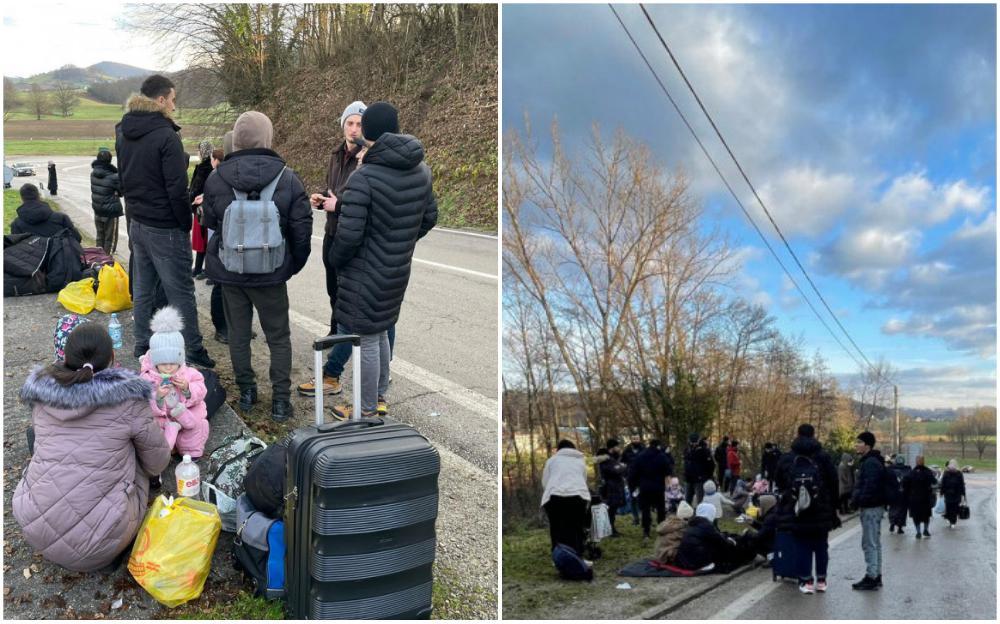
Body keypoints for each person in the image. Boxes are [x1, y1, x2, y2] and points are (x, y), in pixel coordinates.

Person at [12, 322, 170, 571]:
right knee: (138, 452)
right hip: (103, 539)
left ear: (65, 356)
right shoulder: (128, 399)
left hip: (35, 527)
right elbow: (157, 462)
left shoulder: (42, 396)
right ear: (113, 358)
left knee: (42, 439)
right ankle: (111, 547)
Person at [201, 111, 313, 422]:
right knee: (278, 337)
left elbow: (211, 222)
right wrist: (290, 265)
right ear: (268, 138)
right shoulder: (287, 178)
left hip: (231, 273)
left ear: (235, 140)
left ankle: (247, 392)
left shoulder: (216, 177)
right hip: (271, 274)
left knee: (238, 333)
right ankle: (280, 401)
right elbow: (301, 231)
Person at [328, 102, 437, 420]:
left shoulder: (364, 178)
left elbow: (348, 236)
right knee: (382, 328)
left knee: (366, 339)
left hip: (365, 273)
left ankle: (364, 408)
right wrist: (400, 243)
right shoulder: (421, 170)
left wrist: (336, 261)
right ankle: (377, 397)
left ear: (368, 133)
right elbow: (430, 216)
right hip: (396, 269)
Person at [115, 74, 214, 369]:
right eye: (172, 99)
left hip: (138, 223)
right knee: (181, 290)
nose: (174, 105)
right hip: (164, 226)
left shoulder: (123, 130)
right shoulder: (165, 135)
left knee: (144, 287)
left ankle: (142, 343)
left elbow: (124, 178)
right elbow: (176, 189)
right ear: (160, 100)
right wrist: (184, 223)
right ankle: (194, 350)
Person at [297, 101, 367, 399]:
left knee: (353, 301)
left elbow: (364, 201)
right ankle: (335, 332)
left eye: (359, 124)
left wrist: (338, 205)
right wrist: (322, 197)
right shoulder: (335, 155)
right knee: (334, 292)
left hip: (353, 238)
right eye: (350, 124)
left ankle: (337, 368)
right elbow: (334, 189)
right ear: (343, 126)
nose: (354, 129)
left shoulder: (369, 159)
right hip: (332, 233)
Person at [774, 423, 839, 594]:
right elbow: (834, 482)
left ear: (797, 434)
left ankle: (806, 581)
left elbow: (779, 481)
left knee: (802, 546)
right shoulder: (823, 457)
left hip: (797, 510)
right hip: (821, 509)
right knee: (821, 546)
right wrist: (833, 506)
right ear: (814, 435)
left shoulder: (787, 458)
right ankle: (822, 580)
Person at [138, 307, 210, 458]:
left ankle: (190, 452)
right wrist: (157, 397)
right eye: (164, 363)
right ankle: (167, 449)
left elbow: (201, 389)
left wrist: (187, 388)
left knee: (198, 425)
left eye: (173, 362)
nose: (169, 367)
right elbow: (142, 402)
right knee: (151, 434)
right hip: (162, 421)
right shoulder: (147, 378)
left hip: (186, 415)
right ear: (155, 362)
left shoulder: (188, 373)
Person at [540, 440, 591, 555]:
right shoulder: (580, 461)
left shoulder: (551, 461)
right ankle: (577, 555)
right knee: (576, 527)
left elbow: (545, 482)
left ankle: (558, 555)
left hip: (554, 497)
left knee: (556, 528)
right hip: (578, 497)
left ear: (558, 449)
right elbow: (583, 479)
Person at [851, 431, 887, 590]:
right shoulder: (873, 461)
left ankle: (871, 576)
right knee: (875, 543)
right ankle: (876, 575)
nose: (856, 445)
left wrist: (858, 500)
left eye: (859, 442)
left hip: (871, 508)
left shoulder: (870, 462)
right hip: (875, 507)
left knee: (869, 543)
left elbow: (870, 486)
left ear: (867, 445)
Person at [674, 503, 751, 572]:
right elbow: (721, 542)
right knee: (731, 553)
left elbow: (715, 536)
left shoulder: (694, 523)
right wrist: (733, 542)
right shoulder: (706, 525)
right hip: (697, 563)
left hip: (686, 561)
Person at [628, 439, 673, 538]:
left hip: (644, 487)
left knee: (645, 510)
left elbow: (632, 473)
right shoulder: (662, 456)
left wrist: (633, 486)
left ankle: (646, 531)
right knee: (661, 509)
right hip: (658, 487)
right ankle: (661, 529)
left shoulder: (640, 456)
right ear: (658, 446)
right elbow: (669, 470)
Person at [10, 183, 82, 241]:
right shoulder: (61, 217)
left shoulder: (16, 224)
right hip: (61, 257)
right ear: (38, 196)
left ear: (22, 199)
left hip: (34, 259)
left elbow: (16, 248)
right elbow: (77, 238)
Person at [89, 147, 124, 254]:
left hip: (97, 209)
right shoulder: (114, 177)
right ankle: (107, 260)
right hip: (110, 211)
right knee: (110, 239)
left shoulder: (93, 174)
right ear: (109, 160)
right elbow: (122, 192)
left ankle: (98, 259)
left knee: (100, 235)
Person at [188, 140, 214, 279]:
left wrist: (190, 199)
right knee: (207, 240)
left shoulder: (203, 169)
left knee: (202, 240)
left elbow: (196, 189)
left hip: (201, 210)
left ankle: (200, 268)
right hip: (209, 208)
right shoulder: (213, 167)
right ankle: (203, 268)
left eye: (199, 150)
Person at [596, 439, 626, 537]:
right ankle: (609, 530)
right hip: (610, 487)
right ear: (612, 448)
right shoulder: (605, 459)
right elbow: (614, 470)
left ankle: (611, 529)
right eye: (617, 446)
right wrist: (621, 467)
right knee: (611, 509)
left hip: (615, 486)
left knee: (613, 509)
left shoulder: (613, 458)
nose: (619, 448)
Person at [905, 455, 937, 538]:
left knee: (916, 516)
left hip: (915, 498)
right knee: (926, 516)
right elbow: (934, 482)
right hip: (925, 498)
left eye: (920, 460)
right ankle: (925, 530)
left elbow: (905, 484)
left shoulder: (911, 472)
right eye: (919, 460)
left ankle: (919, 531)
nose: (919, 461)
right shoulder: (928, 472)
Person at [654, 500, 694, 564]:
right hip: (666, 556)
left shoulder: (668, 522)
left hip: (658, 554)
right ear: (687, 518)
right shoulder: (681, 528)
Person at [621, 434, 645, 526]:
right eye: (634, 438)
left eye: (637, 439)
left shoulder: (644, 449)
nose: (635, 440)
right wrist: (624, 475)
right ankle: (635, 518)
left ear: (639, 439)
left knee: (642, 499)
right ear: (631, 439)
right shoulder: (627, 450)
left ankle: (644, 518)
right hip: (631, 479)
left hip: (642, 479)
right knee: (632, 499)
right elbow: (622, 463)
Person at [683, 433, 714, 505]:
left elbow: (711, 465)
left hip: (700, 479)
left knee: (700, 499)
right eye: (691, 442)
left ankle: (701, 513)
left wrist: (707, 476)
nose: (693, 444)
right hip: (688, 478)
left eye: (695, 442)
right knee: (687, 499)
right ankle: (687, 514)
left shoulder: (704, 450)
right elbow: (686, 462)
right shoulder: (687, 449)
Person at [939, 459, 966, 529]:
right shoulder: (959, 473)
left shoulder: (946, 473)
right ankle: (952, 521)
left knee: (950, 507)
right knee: (954, 508)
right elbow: (962, 484)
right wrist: (963, 494)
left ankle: (951, 521)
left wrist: (941, 492)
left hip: (949, 494)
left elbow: (943, 484)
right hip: (956, 494)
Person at [887, 455, 911, 534]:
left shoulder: (890, 469)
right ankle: (900, 527)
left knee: (893, 509)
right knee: (902, 511)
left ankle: (892, 523)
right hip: (904, 494)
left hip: (893, 493)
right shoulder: (908, 470)